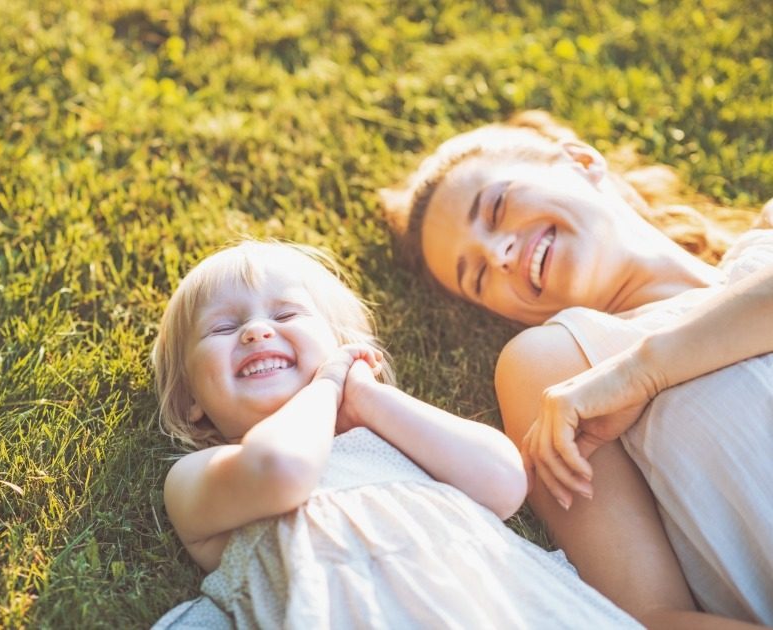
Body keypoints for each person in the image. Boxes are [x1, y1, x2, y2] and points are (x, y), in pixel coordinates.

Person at [383, 111, 773, 629]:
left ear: (582, 161)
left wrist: (645, 372)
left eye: (497, 207)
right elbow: (651, 614)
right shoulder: (560, 366)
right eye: (477, 275)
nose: (498, 253)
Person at [149, 240, 641, 628]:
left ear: (344, 350)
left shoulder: (396, 436)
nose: (256, 332)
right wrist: (324, 387)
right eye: (222, 329)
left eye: (284, 315)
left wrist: (366, 397)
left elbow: (505, 481)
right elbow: (283, 469)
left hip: (499, 605)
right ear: (192, 401)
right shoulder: (202, 475)